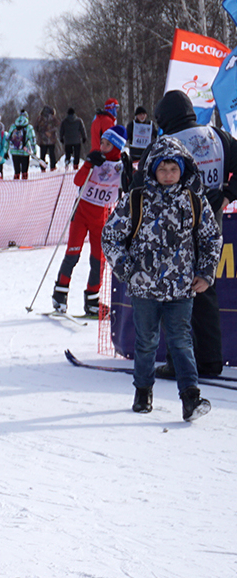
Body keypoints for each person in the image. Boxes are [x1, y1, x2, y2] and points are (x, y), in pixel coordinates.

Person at [102, 136, 220, 421]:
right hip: (144, 290)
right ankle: (143, 391)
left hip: (180, 290)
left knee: (181, 342)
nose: (168, 176)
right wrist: (128, 270)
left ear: (183, 170)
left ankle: (190, 397)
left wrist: (205, 273)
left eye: (174, 170)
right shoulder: (137, 200)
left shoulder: (193, 201)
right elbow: (111, 236)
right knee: (146, 343)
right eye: (162, 170)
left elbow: (211, 238)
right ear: (153, 170)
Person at [150, 89, 237, 379]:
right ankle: (211, 362)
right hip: (213, 227)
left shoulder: (166, 144)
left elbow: (143, 186)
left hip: (176, 232)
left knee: (175, 295)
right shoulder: (217, 136)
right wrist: (228, 195)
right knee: (205, 289)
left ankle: (179, 364)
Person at [51, 126, 127, 316]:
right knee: (72, 254)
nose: (102, 147)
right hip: (82, 212)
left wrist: (129, 174)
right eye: (102, 142)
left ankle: (92, 299)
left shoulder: (120, 166)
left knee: (98, 260)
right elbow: (78, 181)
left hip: (101, 217)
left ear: (116, 147)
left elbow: (128, 189)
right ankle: (60, 295)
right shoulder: (95, 160)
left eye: (107, 144)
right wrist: (88, 164)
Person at [7, 110, 38, 179]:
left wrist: (6, 150)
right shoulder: (29, 127)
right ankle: (24, 185)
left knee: (16, 171)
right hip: (24, 151)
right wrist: (34, 151)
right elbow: (33, 140)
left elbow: (7, 138)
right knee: (24, 171)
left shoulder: (13, 126)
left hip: (14, 151)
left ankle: (15, 185)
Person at [36, 106, 60, 171]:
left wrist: (43, 132)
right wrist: (50, 131)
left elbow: (37, 128)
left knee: (43, 155)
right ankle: (53, 167)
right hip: (51, 139)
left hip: (42, 139)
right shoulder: (53, 118)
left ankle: (42, 168)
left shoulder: (40, 118)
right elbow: (58, 125)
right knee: (52, 154)